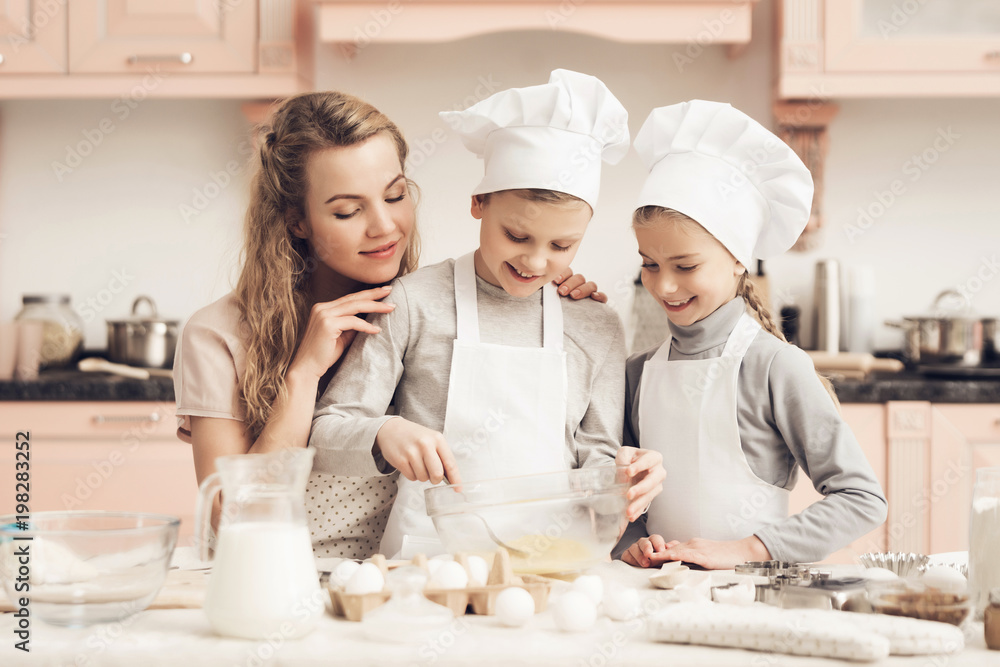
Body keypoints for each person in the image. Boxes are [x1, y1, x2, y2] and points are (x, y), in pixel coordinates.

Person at [173, 90, 604, 558]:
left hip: (399, 581)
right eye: (347, 210)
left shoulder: (425, 307)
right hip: (274, 575)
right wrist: (302, 375)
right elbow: (232, 517)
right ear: (297, 221)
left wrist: (546, 298)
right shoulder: (217, 335)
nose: (385, 226)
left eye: (395, 195)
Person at [309, 70, 666, 559]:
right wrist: (384, 431)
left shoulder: (595, 324)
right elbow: (327, 429)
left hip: (550, 560)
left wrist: (622, 476)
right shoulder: (413, 301)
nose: (535, 262)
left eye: (562, 245)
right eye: (516, 236)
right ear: (479, 203)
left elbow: (596, 458)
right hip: (429, 560)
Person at [618, 100, 887, 569]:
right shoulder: (638, 373)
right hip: (657, 598)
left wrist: (748, 550)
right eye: (650, 264)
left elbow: (862, 499)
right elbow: (630, 505)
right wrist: (636, 542)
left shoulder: (775, 366)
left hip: (754, 598)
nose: (664, 285)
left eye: (686, 266)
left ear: (739, 257)